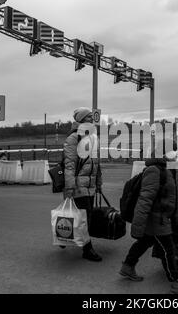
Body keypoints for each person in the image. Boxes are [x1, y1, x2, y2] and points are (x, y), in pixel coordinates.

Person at [119, 140, 178, 294]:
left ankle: (127, 266)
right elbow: (145, 199)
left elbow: (172, 199)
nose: (176, 154)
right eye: (173, 151)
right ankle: (176, 284)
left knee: (145, 242)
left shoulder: (172, 170)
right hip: (156, 219)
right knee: (169, 251)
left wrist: (177, 220)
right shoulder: (154, 170)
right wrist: (137, 226)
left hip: (163, 218)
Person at [63, 107, 103, 262]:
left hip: (90, 184)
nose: (91, 120)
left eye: (91, 118)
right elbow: (70, 164)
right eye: (88, 118)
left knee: (87, 216)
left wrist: (98, 182)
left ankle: (68, 235)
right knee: (84, 218)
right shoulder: (74, 138)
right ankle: (87, 250)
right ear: (80, 120)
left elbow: (97, 164)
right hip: (79, 184)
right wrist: (70, 186)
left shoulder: (93, 138)